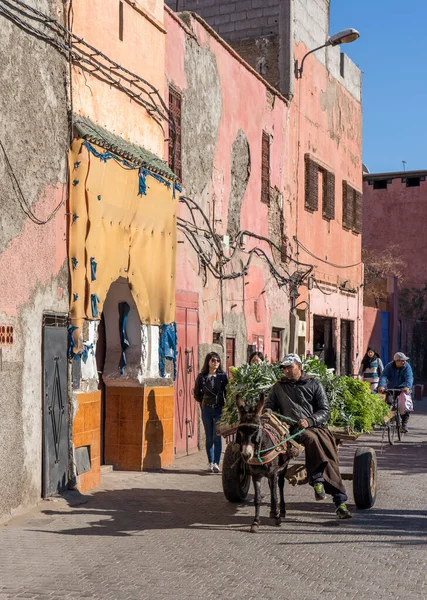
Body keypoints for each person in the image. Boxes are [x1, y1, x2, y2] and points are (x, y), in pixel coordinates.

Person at [264, 353, 352, 519]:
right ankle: (317, 479)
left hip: (315, 427)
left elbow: (325, 411)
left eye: (290, 367)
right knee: (310, 438)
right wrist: (271, 416)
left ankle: (339, 501)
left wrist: (310, 420)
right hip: (288, 429)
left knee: (330, 456)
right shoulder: (278, 387)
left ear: (299, 366)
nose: (287, 371)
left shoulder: (314, 384)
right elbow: (269, 408)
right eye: (284, 368)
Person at [194, 352, 228, 473]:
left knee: (217, 437)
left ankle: (217, 463)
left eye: (218, 360)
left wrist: (226, 407)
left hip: (219, 408)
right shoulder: (202, 377)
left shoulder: (223, 376)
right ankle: (210, 462)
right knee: (209, 437)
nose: (215, 363)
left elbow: (227, 393)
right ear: (208, 361)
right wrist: (203, 402)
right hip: (207, 409)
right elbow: (196, 393)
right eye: (213, 360)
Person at [378, 352, 413, 433]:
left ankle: (404, 423)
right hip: (391, 387)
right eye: (402, 361)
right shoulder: (389, 366)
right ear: (396, 361)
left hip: (403, 388)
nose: (404, 362)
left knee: (405, 404)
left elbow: (409, 377)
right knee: (388, 403)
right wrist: (381, 386)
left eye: (404, 360)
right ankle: (387, 420)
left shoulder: (407, 366)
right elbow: (384, 376)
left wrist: (407, 386)